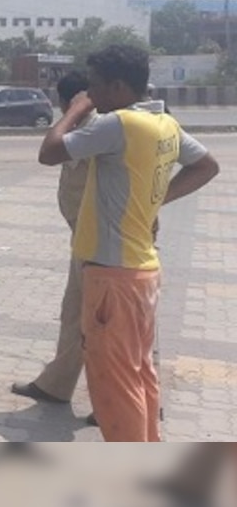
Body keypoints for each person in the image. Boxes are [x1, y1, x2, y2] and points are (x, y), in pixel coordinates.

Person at [37, 44, 219, 441]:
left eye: (96, 87)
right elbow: (206, 165)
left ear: (118, 86)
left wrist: (75, 110)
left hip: (112, 276)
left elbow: (49, 152)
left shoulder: (118, 124)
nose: (92, 95)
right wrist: (156, 202)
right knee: (139, 374)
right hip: (142, 269)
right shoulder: (164, 124)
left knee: (114, 387)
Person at [11, 71, 93, 406]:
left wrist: (75, 112)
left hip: (98, 240)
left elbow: (48, 152)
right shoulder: (85, 127)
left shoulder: (93, 127)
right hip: (85, 238)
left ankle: (111, 401)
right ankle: (57, 385)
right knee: (74, 313)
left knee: (95, 321)